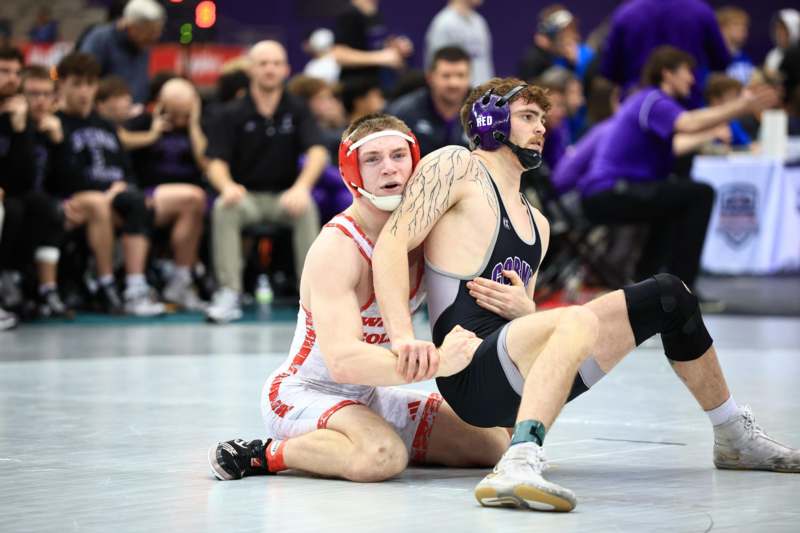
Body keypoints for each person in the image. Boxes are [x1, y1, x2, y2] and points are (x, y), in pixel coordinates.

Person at [371, 76, 799, 512]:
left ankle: (733, 437)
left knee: (671, 296)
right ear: (489, 121)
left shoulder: (537, 222)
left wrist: (527, 308)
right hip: (468, 370)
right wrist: (403, 337)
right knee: (577, 317)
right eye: (527, 117)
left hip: (515, 366)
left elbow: (529, 328)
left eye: (542, 118)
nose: (541, 127)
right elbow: (390, 245)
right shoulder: (455, 166)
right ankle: (518, 462)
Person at [208, 113, 508, 481]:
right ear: (352, 173)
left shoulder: (428, 236)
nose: (389, 169)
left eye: (399, 156)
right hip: (305, 393)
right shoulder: (339, 248)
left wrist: (523, 307)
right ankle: (265, 453)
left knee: (492, 444)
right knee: (382, 457)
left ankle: (356, 439)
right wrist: (441, 363)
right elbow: (343, 363)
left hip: (370, 395)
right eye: (372, 159)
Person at [580, 46, 775, 291]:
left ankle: (648, 286)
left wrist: (709, 132)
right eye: (686, 72)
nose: (692, 79)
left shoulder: (649, 101)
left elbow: (675, 145)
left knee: (673, 201)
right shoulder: (654, 100)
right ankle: (682, 288)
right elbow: (688, 123)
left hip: (612, 191)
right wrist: (740, 107)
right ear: (667, 73)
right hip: (609, 191)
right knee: (699, 194)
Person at [204, 41, 327, 323]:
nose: (270, 69)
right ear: (250, 69)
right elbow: (215, 162)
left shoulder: (298, 109)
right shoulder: (230, 113)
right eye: (263, 63)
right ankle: (229, 293)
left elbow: (318, 152)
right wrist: (226, 186)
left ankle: (311, 297)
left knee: (307, 207)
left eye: (275, 63)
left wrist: (301, 187)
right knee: (225, 207)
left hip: (285, 197)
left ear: (285, 69)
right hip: (246, 198)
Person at [51, 52, 164, 316]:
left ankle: (135, 287)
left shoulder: (106, 126)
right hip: (76, 199)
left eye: (90, 85)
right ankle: (105, 283)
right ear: (62, 85)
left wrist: (124, 185)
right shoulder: (56, 123)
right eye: (77, 84)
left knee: (137, 200)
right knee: (99, 202)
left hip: (112, 197)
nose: (84, 92)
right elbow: (59, 175)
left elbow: (126, 168)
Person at [125, 77, 209, 309]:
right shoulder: (143, 121)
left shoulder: (202, 125)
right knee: (193, 198)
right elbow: (120, 141)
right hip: (150, 193)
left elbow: (206, 163)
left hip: (192, 197)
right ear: (161, 104)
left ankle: (181, 281)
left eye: (185, 112)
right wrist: (152, 134)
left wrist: (193, 125)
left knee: (195, 200)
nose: (179, 119)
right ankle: (179, 280)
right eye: (175, 113)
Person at [601, 0, 730, 109]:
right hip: (687, 106)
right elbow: (721, 61)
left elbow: (609, 71)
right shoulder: (700, 10)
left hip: (637, 104)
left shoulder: (626, 13)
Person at [387, 46, 471, 157]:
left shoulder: (481, 110)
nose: (454, 83)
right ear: (430, 78)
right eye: (446, 76)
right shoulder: (402, 113)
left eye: (461, 76)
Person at [79, 0, 166, 104]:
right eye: (151, 32)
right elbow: (84, 80)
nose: (154, 37)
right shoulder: (100, 39)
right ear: (132, 26)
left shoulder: (142, 45)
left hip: (135, 112)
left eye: (157, 32)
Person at [424, 0, 494, 86]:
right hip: (457, 93)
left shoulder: (479, 21)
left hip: (481, 92)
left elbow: (484, 63)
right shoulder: (444, 23)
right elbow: (438, 68)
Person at [716, 6, 754, 85]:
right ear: (721, 28)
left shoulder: (745, 57)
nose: (742, 29)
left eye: (745, 25)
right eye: (736, 24)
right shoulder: (712, 58)